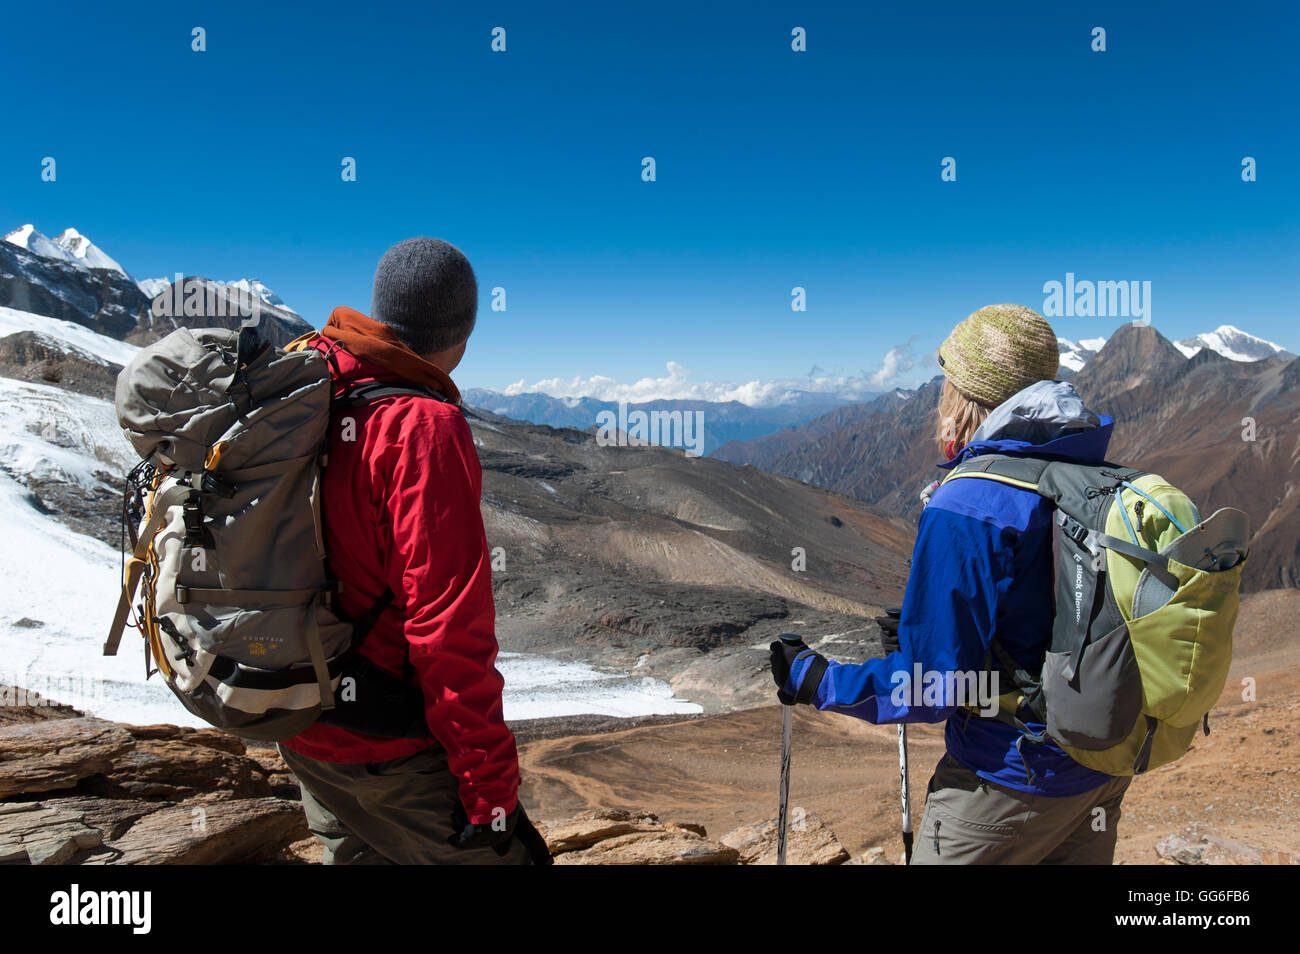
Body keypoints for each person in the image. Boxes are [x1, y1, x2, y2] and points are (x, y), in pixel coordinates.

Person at [771, 303, 1131, 864]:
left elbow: (936, 687)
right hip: (1098, 770)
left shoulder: (969, 503)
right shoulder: (1094, 476)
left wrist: (816, 679)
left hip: (1006, 781)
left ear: (965, 392)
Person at [278, 237, 548, 864]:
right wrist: (488, 789)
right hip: (383, 738)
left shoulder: (308, 381)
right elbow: (446, 629)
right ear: (463, 330)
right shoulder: (422, 426)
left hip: (294, 713)